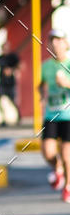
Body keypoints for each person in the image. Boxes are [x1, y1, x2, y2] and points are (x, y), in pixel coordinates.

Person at [39, 28, 70, 202]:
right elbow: (41, 84)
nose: (55, 43)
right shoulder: (46, 66)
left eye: (59, 40)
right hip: (51, 114)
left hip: (68, 115)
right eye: (52, 40)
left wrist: (66, 83)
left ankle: (67, 187)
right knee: (48, 152)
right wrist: (41, 96)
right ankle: (57, 168)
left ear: (66, 43)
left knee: (67, 154)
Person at [0, 42, 20, 127]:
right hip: (2, 83)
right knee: (0, 101)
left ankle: (19, 117)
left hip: (11, 83)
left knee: (13, 101)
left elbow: (20, 66)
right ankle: (3, 119)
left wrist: (12, 70)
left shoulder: (12, 57)